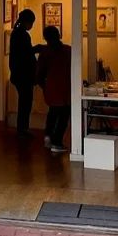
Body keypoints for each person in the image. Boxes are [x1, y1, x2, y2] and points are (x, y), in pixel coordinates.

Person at [36, 25, 72, 153]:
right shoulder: (68, 50)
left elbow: (39, 74)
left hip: (51, 88)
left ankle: (48, 136)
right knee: (63, 116)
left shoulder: (45, 53)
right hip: (66, 89)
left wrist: (44, 86)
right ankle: (57, 142)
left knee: (52, 113)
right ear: (58, 35)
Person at [9, 9, 41, 138]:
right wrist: (36, 49)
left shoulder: (16, 33)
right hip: (24, 75)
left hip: (19, 74)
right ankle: (22, 129)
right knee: (25, 103)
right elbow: (26, 54)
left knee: (24, 102)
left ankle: (22, 128)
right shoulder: (22, 34)